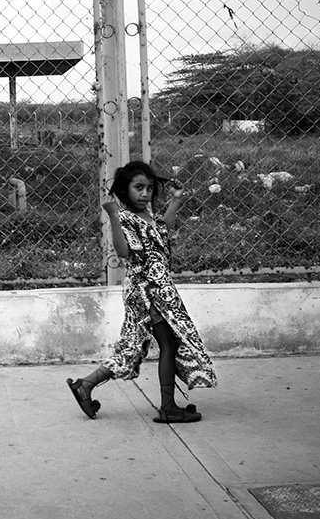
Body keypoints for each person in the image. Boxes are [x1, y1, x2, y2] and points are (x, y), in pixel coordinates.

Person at [66, 161, 217, 423]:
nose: (145, 193)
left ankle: (86, 385)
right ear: (125, 190)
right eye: (138, 187)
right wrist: (113, 215)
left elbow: (163, 229)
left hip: (159, 289)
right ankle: (168, 407)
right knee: (168, 343)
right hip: (147, 291)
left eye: (148, 188)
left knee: (132, 347)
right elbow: (123, 253)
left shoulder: (149, 217)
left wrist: (175, 200)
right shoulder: (125, 218)